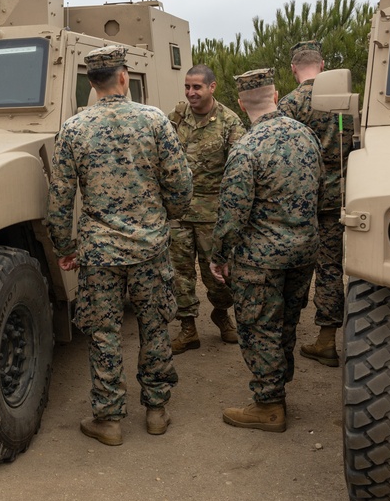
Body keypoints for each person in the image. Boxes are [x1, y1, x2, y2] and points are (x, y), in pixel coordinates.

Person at [46, 45, 193, 446]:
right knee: (155, 326)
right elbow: (180, 185)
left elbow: (59, 198)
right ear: (124, 77)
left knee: (103, 333)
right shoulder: (154, 120)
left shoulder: (74, 129)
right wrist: (167, 218)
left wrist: (64, 245)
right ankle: (157, 411)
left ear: (91, 83)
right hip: (150, 246)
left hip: (100, 252)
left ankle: (108, 420)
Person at [210, 68, 323, 433]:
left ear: (242, 104)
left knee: (260, 327)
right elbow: (319, 191)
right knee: (287, 320)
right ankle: (280, 381)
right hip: (304, 250)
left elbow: (232, 213)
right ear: (276, 97)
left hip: (261, 258)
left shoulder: (247, 147)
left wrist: (219, 256)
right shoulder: (307, 136)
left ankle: (269, 404)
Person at [277, 40, 354, 367]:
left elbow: (279, 155)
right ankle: (326, 339)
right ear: (322, 66)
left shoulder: (289, 104)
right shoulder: (344, 102)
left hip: (300, 199)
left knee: (289, 266)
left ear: (294, 68)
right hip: (337, 197)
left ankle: (281, 335)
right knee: (329, 266)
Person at [167, 65, 246, 353]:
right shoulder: (176, 117)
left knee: (218, 276)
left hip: (212, 214)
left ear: (211, 87)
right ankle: (188, 328)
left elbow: (239, 171)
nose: (190, 93)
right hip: (178, 212)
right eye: (187, 87)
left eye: (197, 87)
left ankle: (222, 314)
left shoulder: (230, 122)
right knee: (179, 274)